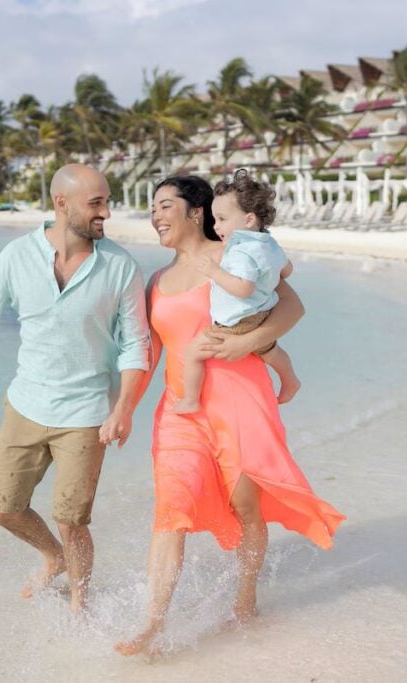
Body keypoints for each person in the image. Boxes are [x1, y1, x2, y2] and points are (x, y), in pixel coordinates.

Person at [0, 164, 150, 613]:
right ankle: (52, 557)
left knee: (72, 519)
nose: (106, 212)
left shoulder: (119, 266)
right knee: (3, 508)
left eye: (106, 202)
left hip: (87, 412)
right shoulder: (16, 256)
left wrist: (124, 409)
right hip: (26, 405)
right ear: (62, 203)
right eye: (97, 203)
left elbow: (137, 345)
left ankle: (80, 601)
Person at [116, 175, 344, 655]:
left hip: (239, 400)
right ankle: (152, 622)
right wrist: (123, 409)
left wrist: (246, 342)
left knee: (245, 507)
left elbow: (292, 305)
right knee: (171, 508)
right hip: (181, 408)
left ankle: (245, 600)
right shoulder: (156, 282)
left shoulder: (233, 255)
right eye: (151, 208)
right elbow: (147, 354)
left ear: (195, 213)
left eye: (163, 206)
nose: (154, 216)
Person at [172, 169, 300, 415]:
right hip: (263, 311)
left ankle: (190, 399)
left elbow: (243, 288)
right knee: (269, 349)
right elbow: (288, 270)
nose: (216, 226)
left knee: (193, 351)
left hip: (239, 318)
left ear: (248, 220)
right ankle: (290, 380)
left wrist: (214, 271)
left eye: (221, 219)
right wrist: (269, 274)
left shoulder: (241, 250)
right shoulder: (269, 243)